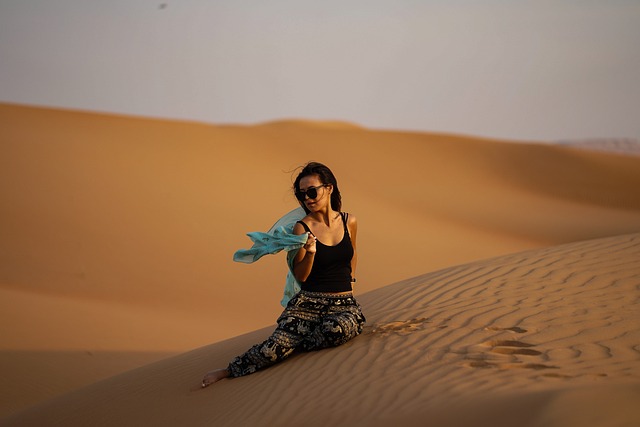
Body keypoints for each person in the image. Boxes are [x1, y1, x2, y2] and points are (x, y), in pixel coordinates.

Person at [201, 162, 365, 386]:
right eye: (301, 194)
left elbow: (352, 253)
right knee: (272, 350)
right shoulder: (302, 228)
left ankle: (296, 342)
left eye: (312, 191)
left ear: (329, 188)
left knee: (338, 329)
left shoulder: (349, 221)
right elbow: (302, 276)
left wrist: (351, 283)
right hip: (308, 303)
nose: (307, 198)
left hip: (343, 303)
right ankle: (228, 370)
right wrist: (309, 253)